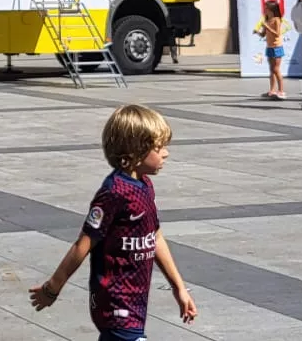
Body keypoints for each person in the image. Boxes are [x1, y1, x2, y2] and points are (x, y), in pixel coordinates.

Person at [29, 104, 197, 341]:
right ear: (135, 151)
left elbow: (155, 237)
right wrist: (53, 287)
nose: (166, 153)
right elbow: (83, 244)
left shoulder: (145, 186)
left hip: (136, 301)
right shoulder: (114, 192)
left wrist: (179, 287)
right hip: (114, 301)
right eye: (158, 147)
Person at [258, 0, 288, 100]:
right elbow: (263, 34)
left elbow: (277, 33)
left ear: (271, 10)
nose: (264, 10)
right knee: (271, 70)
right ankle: (272, 90)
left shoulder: (277, 20)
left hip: (277, 47)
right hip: (270, 47)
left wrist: (267, 26)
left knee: (276, 69)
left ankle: (281, 91)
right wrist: (258, 32)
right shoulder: (267, 20)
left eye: (266, 8)